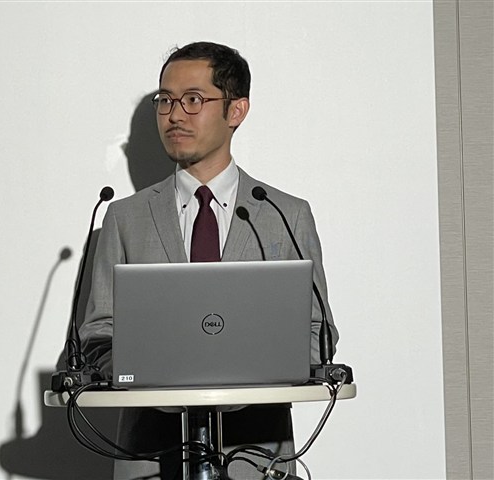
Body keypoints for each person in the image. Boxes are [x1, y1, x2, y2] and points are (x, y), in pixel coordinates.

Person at [79, 41, 339, 480]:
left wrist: (240, 386)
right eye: (166, 100)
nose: (174, 115)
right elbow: (98, 333)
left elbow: (319, 334)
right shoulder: (124, 218)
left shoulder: (285, 214)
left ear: (236, 110)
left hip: (257, 454)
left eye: (193, 100)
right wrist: (147, 377)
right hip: (148, 454)